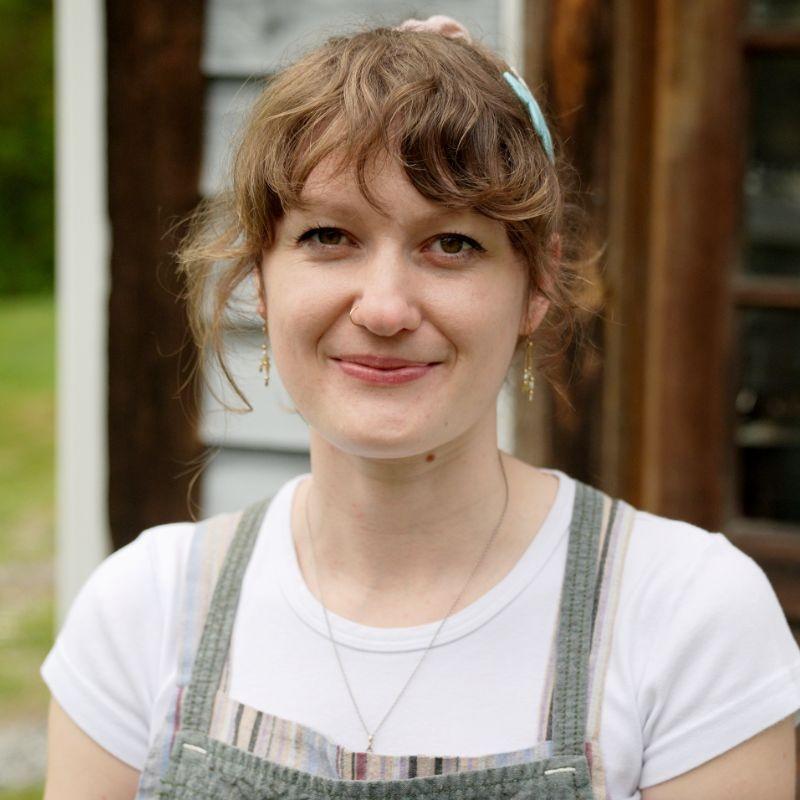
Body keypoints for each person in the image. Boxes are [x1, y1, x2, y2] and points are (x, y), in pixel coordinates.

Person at [41, 16, 800, 800]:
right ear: (261, 278)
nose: (385, 308)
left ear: (537, 283)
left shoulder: (684, 617)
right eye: (330, 235)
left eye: (452, 245)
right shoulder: (145, 611)